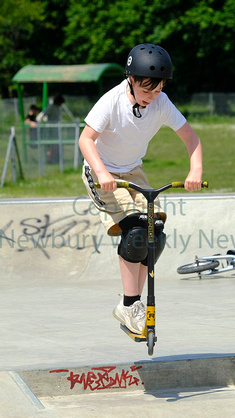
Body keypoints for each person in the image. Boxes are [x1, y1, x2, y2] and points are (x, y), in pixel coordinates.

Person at [79, 43, 203, 334]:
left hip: (134, 171)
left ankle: (128, 305)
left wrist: (195, 169)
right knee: (135, 231)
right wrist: (101, 172)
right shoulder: (110, 101)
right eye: (147, 90)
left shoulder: (161, 102)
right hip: (103, 172)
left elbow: (191, 138)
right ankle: (131, 303)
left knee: (153, 234)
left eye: (157, 90)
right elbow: (86, 140)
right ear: (131, 80)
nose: (152, 97)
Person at [36, 95, 65, 163]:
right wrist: (37, 122)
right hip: (50, 130)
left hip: (56, 130)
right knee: (50, 145)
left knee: (55, 145)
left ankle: (55, 159)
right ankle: (49, 159)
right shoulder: (51, 107)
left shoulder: (57, 108)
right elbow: (42, 115)